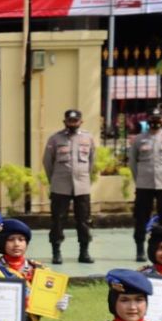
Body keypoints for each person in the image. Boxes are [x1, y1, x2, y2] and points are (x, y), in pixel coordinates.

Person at [42, 109, 95, 264]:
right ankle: (56, 252)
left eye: (75, 121)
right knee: (58, 219)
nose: (73, 123)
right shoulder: (55, 139)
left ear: (81, 122)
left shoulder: (88, 138)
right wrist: (55, 179)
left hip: (82, 186)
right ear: (64, 122)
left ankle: (84, 252)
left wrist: (84, 177)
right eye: (70, 121)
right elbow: (47, 162)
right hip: (60, 185)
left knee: (84, 220)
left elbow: (91, 161)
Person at [131, 107, 162, 261]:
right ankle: (140, 249)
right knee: (141, 217)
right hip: (144, 185)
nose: (155, 122)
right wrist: (139, 179)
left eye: (158, 119)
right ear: (148, 121)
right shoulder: (139, 139)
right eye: (152, 119)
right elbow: (133, 163)